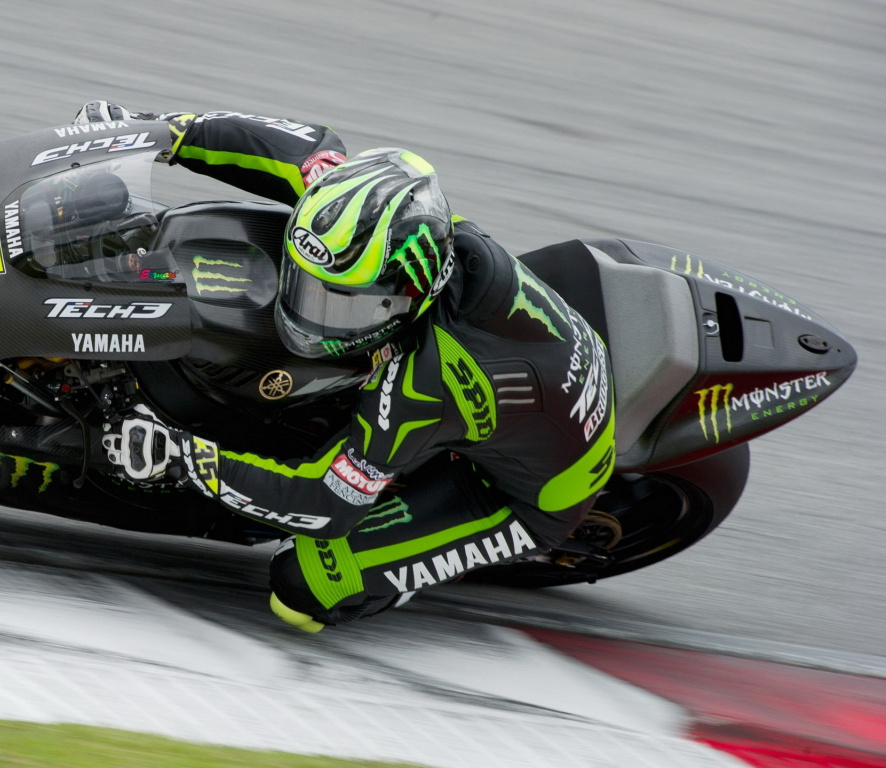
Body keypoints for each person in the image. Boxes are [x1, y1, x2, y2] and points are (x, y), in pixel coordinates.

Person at [79, 101, 617, 632]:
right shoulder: (367, 217)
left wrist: (187, 459)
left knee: (303, 584)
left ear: (405, 296)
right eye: (309, 286)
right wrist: (155, 131)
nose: (312, 314)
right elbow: (283, 144)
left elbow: (324, 503)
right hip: (536, 378)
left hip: (526, 496)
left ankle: (393, 577)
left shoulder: (426, 381)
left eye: (342, 304)